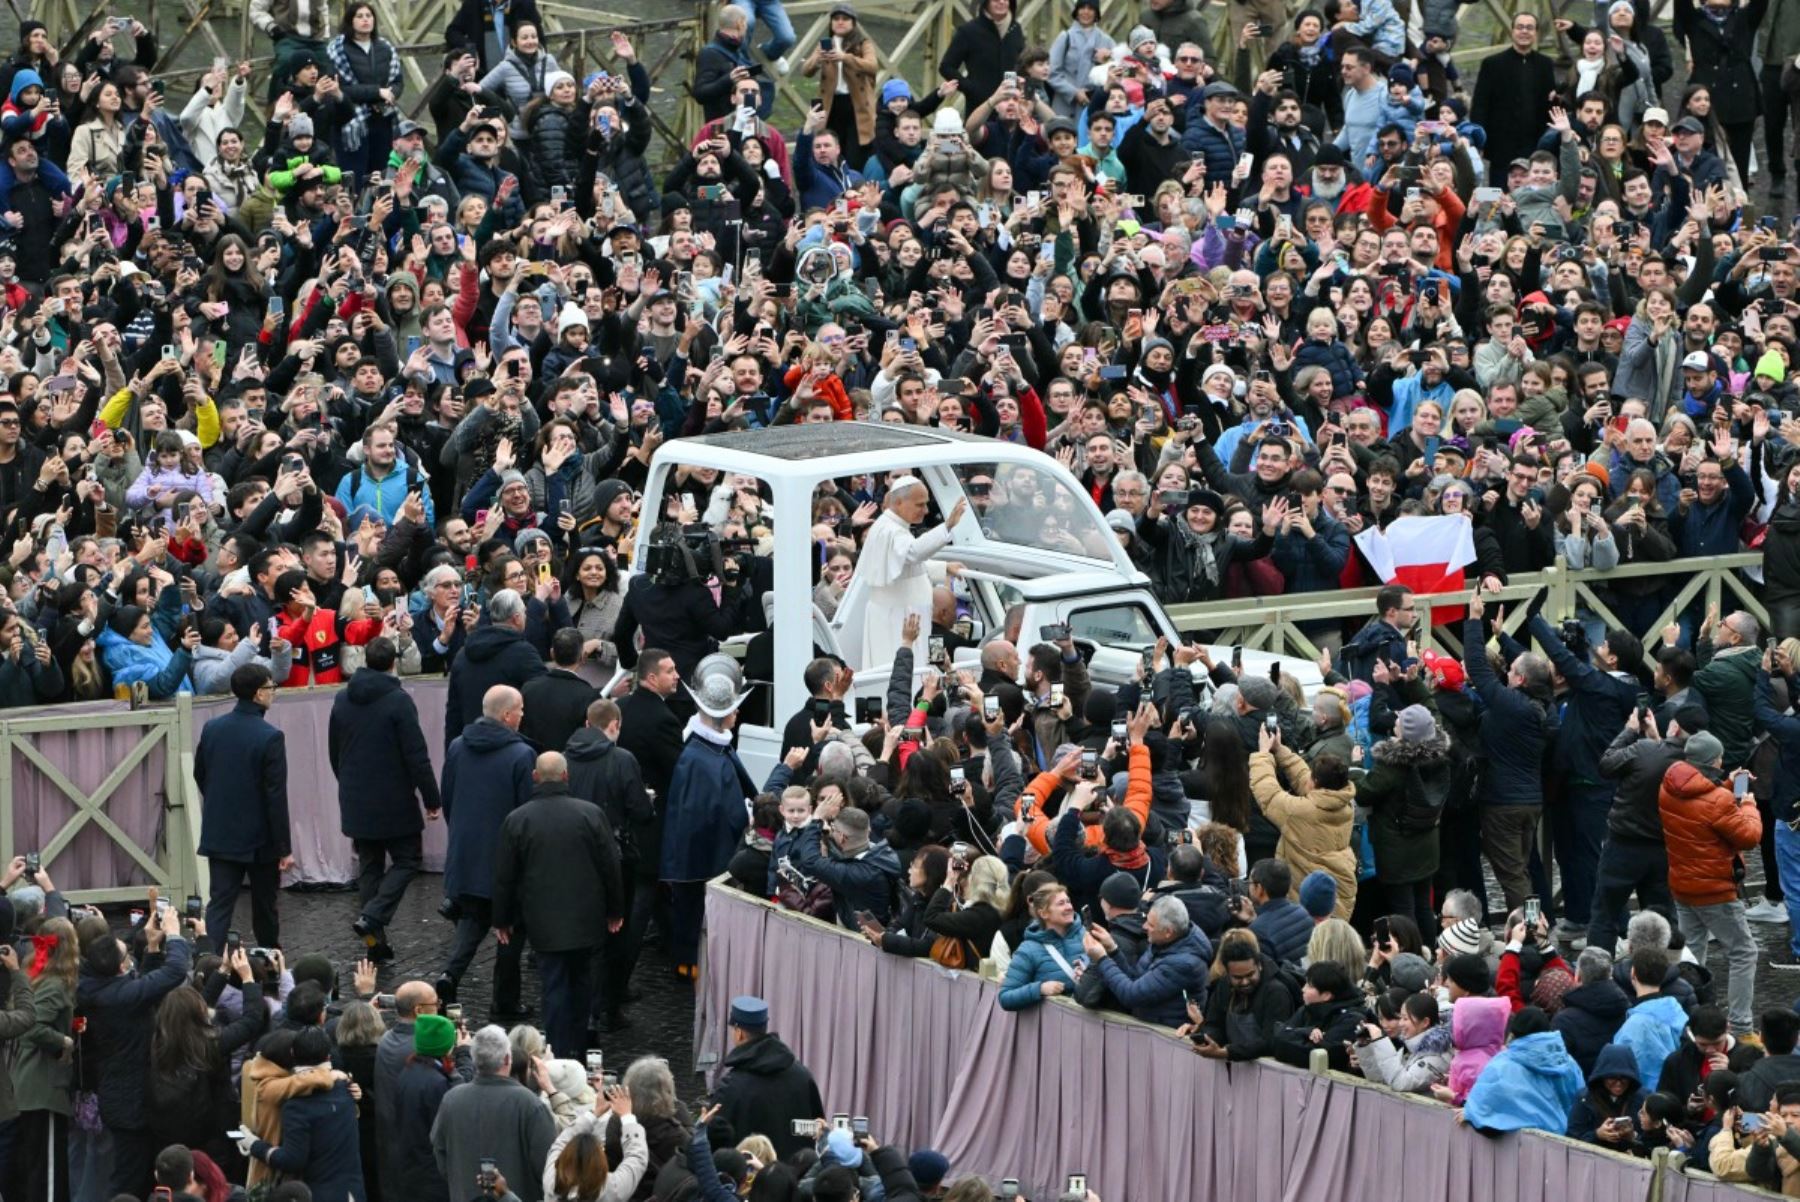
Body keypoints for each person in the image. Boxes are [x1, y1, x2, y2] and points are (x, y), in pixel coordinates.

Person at [491, 751, 625, 1058]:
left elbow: (504, 876)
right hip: (586, 917)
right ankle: (580, 1043)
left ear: (535, 777)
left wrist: (502, 919)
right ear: (567, 776)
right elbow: (610, 866)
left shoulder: (518, 819)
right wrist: (615, 909)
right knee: (582, 982)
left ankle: (557, 1048)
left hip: (543, 920)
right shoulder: (590, 814)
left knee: (554, 986)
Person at [330, 637, 441, 962]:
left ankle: (374, 943)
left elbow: (334, 751)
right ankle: (373, 916)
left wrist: (348, 784)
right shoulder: (398, 700)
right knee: (407, 860)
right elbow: (416, 755)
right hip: (393, 796)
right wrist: (431, 797)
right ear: (393, 662)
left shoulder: (342, 698)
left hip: (355, 794)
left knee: (370, 866)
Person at [80, 899, 194, 1196]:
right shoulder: (118, 997)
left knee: (137, 1171)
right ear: (120, 967)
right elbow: (173, 973)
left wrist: (153, 949)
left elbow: (140, 988)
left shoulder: (98, 987)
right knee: (129, 1177)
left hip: (122, 1095)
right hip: (130, 1103)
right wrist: (176, 936)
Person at [437, 684, 535, 1012]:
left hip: (467, 853)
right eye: (520, 709)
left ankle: (450, 975)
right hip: (505, 858)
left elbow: (447, 797)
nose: (523, 714)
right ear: (507, 715)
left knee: (473, 920)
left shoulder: (457, 747)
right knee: (511, 928)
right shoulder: (522, 755)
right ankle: (505, 1001)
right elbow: (527, 813)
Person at [1659, 729, 1762, 1034]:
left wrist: (1729, 784)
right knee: (1744, 952)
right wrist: (1747, 804)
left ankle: (1691, 1017)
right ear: (1712, 761)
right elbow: (1749, 837)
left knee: (1691, 955)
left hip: (1682, 885)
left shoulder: (1668, 786)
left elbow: (1701, 802)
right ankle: (1742, 1026)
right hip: (1715, 890)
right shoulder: (1718, 801)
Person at [660, 675, 756, 979]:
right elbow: (702, 817)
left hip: (708, 854)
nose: (737, 713)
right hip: (703, 859)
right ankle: (689, 963)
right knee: (694, 914)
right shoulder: (700, 758)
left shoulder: (709, 749)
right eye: (733, 708)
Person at [194, 663, 291, 954]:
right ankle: (270, 960)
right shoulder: (270, 736)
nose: (274, 693)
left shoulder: (212, 728)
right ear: (259, 693)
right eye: (272, 687)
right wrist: (284, 847)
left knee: (220, 904)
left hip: (220, 830)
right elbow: (275, 796)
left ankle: (206, 963)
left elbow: (201, 774)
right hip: (259, 839)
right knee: (264, 906)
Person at [430, 1025, 557, 1202]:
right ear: (507, 1059)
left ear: (474, 1060)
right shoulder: (531, 1105)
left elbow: (440, 1152)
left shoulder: (451, 1099)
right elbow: (548, 1167)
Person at [853, 478, 966, 669]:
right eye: (920, 505)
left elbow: (903, 566)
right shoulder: (890, 530)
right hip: (899, 620)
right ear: (898, 503)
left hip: (907, 617)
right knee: (904, 671)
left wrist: (944, 567)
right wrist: (947, 526)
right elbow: (912, 553)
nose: (926, 511)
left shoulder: (893, 526)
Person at [711, 996, 824, 1161]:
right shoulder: (803, 1076)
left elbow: (715, 1142)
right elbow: (817, 1128)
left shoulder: (730, 1087)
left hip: (751, 1182)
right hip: (799, 1178)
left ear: (739, 1032)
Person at [443, 589, 547, 747]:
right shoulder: (523, 653)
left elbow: (453, 713)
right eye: (525, 613)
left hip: (470, 746)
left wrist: (452, 753)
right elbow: (542, 699)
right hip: (511, 747)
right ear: (517, 619)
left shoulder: (462, 655)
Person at [520, 628, 599, 752]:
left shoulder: (529, 688)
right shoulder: (588, 696)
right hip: (566, 766)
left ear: (552, 654)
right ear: (582, 657)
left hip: (533, 762)